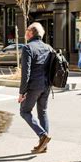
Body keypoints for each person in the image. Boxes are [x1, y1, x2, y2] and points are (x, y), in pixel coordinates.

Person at [19, 22, 52, 153]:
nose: (25, 32)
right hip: (46, 85)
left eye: (27, 30)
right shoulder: (48, 47)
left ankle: (42, 135)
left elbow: (25, 72)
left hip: (34, 86)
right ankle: (44, 145)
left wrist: (22, 92)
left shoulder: (28, 48)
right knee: (42, 112)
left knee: (24, 111)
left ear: (31, 33)